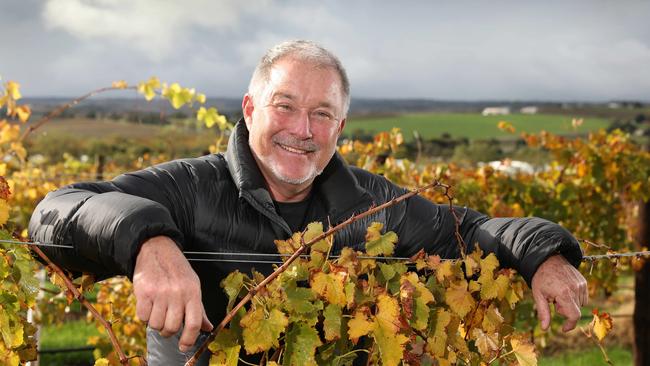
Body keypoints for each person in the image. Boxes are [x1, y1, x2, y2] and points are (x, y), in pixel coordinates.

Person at [29, 40, 587, 364]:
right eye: (285, 106)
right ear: (250, 109)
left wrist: (547, 255)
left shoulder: (372, 206)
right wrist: (148, 241)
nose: (302, 129)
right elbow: (54, 213)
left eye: (322, 113)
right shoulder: (189, 188)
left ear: (340, 127)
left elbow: (475, 231)